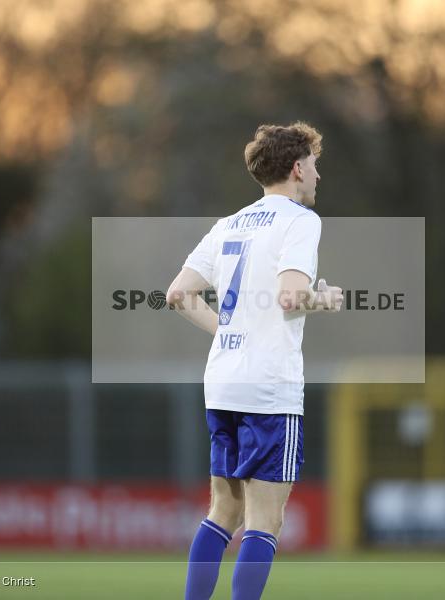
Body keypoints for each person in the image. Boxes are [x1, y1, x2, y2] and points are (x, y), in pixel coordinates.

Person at [166, 122, 343, 600]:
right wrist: (326, 299)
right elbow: (291, 297)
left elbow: (179, 294)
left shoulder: (229, 224)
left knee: (223, 512)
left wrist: (226, 331)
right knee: (266, 520)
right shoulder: (301, 221)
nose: (318, 177)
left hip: (222, 381)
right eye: (315, 166)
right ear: (297, 167)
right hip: (269, 385)